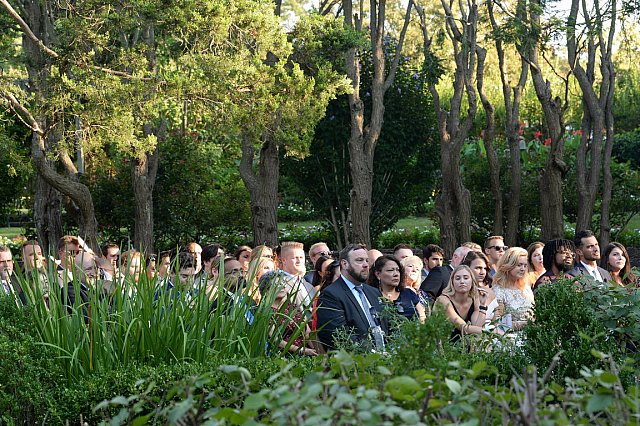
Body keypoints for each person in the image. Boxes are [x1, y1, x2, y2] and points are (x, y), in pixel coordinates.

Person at [316, 244, 387, 351]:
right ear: (344, 264)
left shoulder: (374, 292)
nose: (366, 265)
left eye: (367, 261)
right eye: (359, 260)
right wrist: (373, 354)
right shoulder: (330, 295)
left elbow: (387, 326)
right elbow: (338, 337)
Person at [436, 265, 490, 342]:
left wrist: (483, 306)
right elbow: (464, 328)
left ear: (472, 281)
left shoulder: (474, 298)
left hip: (463, 345)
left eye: (466, 278)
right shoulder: (443, 300)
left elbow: (476, 328)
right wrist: (490, 332)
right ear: (452, 282)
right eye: (458, 278)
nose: (462, 281)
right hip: (443, 344)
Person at [270, 273, 319, 356]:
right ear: (267, 289)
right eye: (277, 284)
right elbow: (274, 340)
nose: (283, 286)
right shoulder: (268, 312)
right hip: (286, 355)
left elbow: (306, 330)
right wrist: (302, 350)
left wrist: (316, 350)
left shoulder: (291, 306)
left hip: (307, 352)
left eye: (284, 283)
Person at [370, 255, 425, 322]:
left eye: (398, 270)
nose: (396, 274)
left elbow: (422, 318)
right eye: (390, 270)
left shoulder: (409, 293)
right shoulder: (372, 296)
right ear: (378, 274)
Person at [492, 247, 534, 332]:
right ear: (509, 265)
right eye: (519, 265)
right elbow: (499, 324)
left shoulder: (526, 287)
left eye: (525, 265)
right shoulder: (499, 290)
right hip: (509, 336)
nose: (523, 269)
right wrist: (525, 324)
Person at [461, 250, 497, 321]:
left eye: (485, 268)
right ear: (467, 268)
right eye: (478, 268)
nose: (482, 272)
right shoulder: (460, 292)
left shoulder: (490, 290)